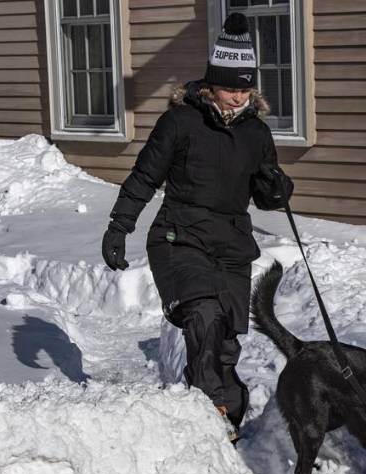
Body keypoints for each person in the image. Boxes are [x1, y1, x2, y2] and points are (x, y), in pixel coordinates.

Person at [101, 12, 293, 442]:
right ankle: (209, 419)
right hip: (178, 236)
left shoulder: (257, 133)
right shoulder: (181, 122)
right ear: (210, 85)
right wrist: (120, 225)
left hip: (231, 246)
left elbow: (267, 194)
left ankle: (229, 414)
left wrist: (277, 188)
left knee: (224, 344)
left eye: (245, 88)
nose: (237, 97)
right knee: (203, 317)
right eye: (230, 88)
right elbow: (145, 176)